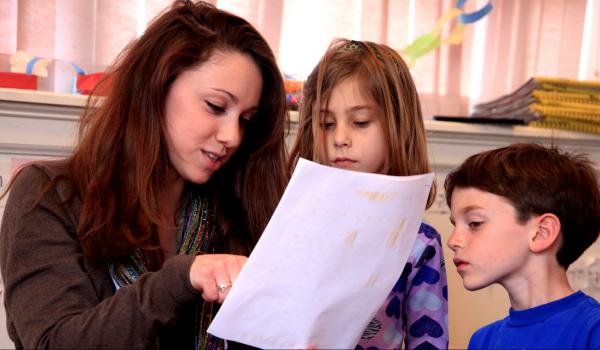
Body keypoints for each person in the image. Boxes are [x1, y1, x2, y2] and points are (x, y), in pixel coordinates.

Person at [0, 1, 288, 349]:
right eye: (215, 106)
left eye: (245, 119)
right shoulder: (47, 196)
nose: (232, 136)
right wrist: (182, 277)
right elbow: (56, 342)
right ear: (157, 86)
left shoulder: (230, 207)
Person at [289, 39, 449, 350]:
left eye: (360, 122)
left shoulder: (420, 243)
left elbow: (429, 342)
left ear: (397, 126)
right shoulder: (292, 225)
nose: (340, 138)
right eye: (326, 123)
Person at [445, 143, 600, 349]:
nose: (452, 241)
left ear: (541, 233)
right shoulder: (482, 341)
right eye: (455, 225)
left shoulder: (593, 332)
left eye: (474, 223)